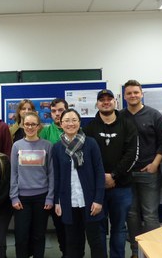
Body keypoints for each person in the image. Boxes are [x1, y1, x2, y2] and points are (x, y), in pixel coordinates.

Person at [83, 89, 138, 258]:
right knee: (97, 227)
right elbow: (86, 158)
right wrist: (101, 180)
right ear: (97, 104)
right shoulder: (89, 128)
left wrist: (113, 176)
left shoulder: (128, 124)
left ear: (115, 102)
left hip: (121, 186)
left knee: (119, 228)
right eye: (102, 100)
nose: (105, 102)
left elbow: (132, 154)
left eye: (109, 99)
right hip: (96, 190)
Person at [121, 80, 162, 258]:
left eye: (136, 92)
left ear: (142, 94)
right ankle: (135, 251)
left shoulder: (154, 115)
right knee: (131, 215)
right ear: (124, 96)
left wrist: (155, 164)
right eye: (129, 93)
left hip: (149, 172)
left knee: (150, 215)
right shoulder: (120, 116)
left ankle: (152, 253)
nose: (133, 95)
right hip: (126, 175)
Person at [52, 109, 105, 258]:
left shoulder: (91, 143)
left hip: (90, 201)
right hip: (68, 201)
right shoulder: (57, 148)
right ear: (61, 124)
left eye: (74, 120)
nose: (70, 123)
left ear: (79, 122)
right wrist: (57, 201)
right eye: (66, 120)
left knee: (96, 241)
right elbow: (56, 177)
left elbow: (99, 173)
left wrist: (98, 199)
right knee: (73, 243)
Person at [10, 112, 54, 258]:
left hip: (42, 198)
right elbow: (14, 173)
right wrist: (14, 197)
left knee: (38, 236)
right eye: (26, 124)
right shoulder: (17, 146)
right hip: (22, 199)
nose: (29, 127)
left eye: (33, 124)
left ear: (38, 126)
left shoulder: (47, 146)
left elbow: (51, 173)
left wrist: (50, 197)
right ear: (22, 125)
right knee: (21, 236)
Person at [39, 97, 68, 257]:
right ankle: (64, 251)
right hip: (51, 186)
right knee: (59, 223)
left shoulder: (76, 129)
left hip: (71, 186)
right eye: (54, 111)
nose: (57, 114)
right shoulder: (45, 132)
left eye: (60, 110)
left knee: (71, 224)